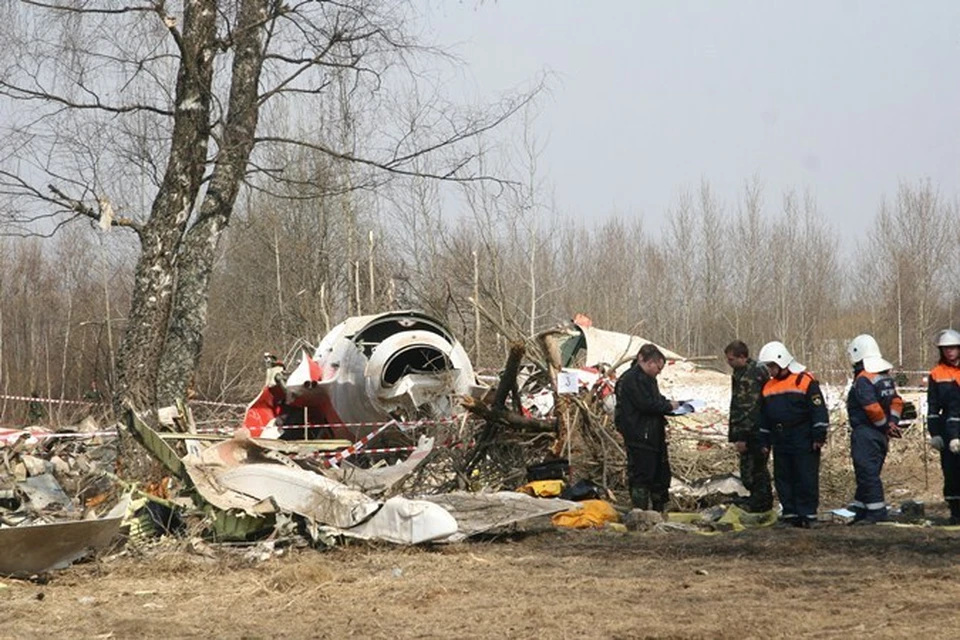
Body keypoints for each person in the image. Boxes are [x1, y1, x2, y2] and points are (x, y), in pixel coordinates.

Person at [756, 341, 829, 528]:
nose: (770, 371)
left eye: (771, 366)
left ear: (781, 362)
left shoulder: (804, 380)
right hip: (780, 438)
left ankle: (808, 514)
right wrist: (764, 441)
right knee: (783, 477)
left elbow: (818, 410)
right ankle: (790, 513)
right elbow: (764, 418)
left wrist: (818, 435)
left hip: (802, 436)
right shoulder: (768, 387)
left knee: (805, 476)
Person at [845, 334, 903, 525]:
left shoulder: (863, 379)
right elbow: (896, 401)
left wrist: (884, 425)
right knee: (870, 471)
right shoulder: (884, 377)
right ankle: (862, 509)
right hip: (880, 435)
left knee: (866, 472)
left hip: (867, 432)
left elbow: (871, 407)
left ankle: (876, 511)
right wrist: (892, 422)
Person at [614, 343, 680, 512]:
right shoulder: (632, 379)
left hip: (652, 434)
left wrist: (669, 404)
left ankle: (658, 508)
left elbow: (655, 399)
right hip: (639, 435)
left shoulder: (648, 379)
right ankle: (640, 510)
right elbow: (646, 403)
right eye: (658, 368)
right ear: (650, 362)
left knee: (660, 475)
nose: (659, 372)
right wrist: (667, 407)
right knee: (642, 475)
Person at [724, 340, 773, 513]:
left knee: (755, 470)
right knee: (749, 470)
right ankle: (757, 498)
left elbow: (749, 408)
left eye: (731, 359)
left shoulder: (753, 374)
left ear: (742, 357)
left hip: (755, 431)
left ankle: (761, 501)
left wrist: (743, 436)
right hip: (748, 431)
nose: (728, 363)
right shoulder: (740, 373)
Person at [926, 329, 960, 524]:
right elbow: (932, 406)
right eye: (945, 349)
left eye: (953, 348)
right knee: (951, 471)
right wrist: (935, 434)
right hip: (946, 427)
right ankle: (955, 512)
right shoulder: (936, 373)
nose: (949, 352)